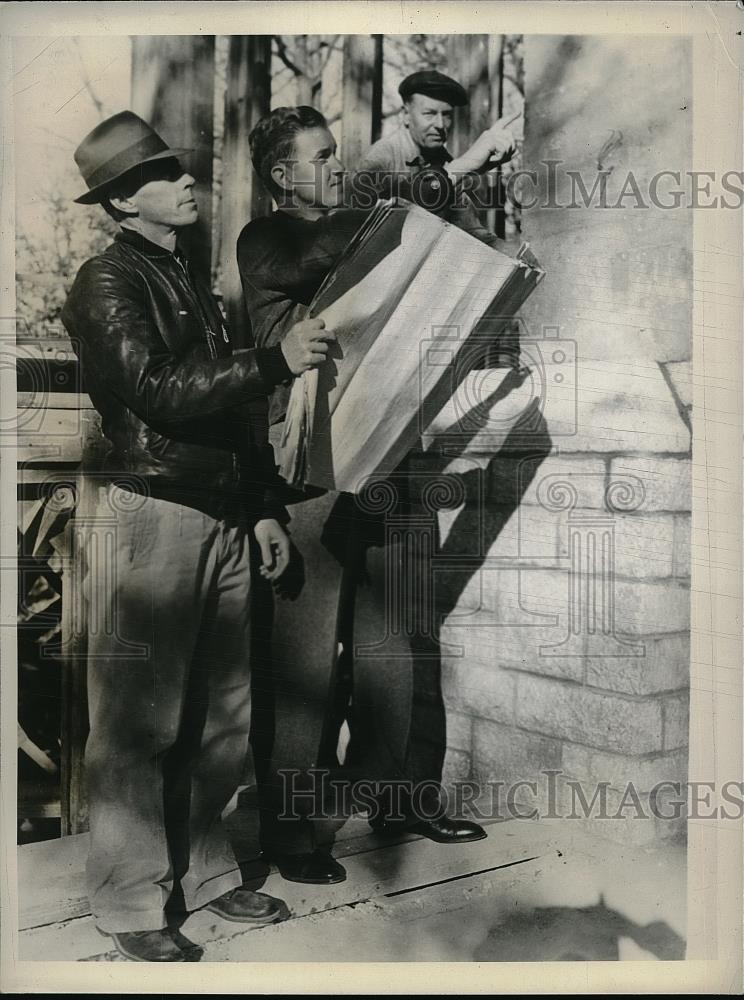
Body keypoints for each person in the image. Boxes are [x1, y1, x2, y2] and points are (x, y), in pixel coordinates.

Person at [61, 111, 333, 962]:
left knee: (222, 714)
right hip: (151, 513)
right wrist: (276, 361)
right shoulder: (104, 282)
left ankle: (208, 877)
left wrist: (258, 508)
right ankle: (129, 898)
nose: (188, 181)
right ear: (119, 204)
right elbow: (160, 389)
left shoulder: (188, 282)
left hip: (217, 513)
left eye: (184, 169)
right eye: (164, 175)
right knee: (139, 721)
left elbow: (229, 418)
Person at [237, 106, 492, 888]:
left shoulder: (364, 224)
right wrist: (428, 183)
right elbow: (332, 246)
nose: (337, 168)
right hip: (310, 470)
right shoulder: (268, 239)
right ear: (283, 175)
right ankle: (294, 831)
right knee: (307, 658)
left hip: (391, 455)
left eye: (338, 154)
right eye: (321, 157)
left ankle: (400, 799)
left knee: (398, 645)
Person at [353, 69, 517, 249]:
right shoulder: (381, 159)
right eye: (429, 114)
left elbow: (470, 231)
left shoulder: (444, 160)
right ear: (406, 115)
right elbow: (359, 235)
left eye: (446, 115)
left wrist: (511, 251)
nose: (440, 125)